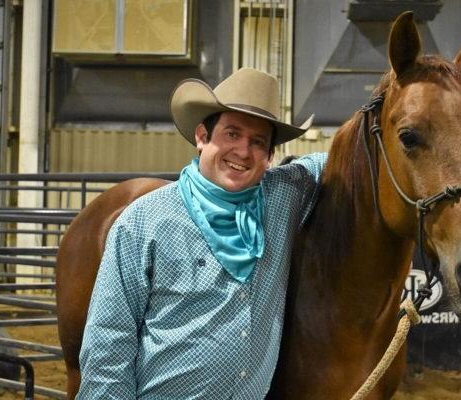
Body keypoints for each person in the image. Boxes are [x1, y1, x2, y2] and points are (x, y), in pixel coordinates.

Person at [77, 68, 327, 399]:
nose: (242, 151)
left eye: (257, 142)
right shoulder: (143, 221)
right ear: (201, 136)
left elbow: (347, 158)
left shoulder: (284, 196)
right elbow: (109, 340)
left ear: (269, 156)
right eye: (232, 134)